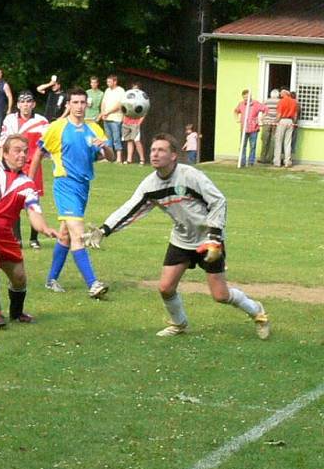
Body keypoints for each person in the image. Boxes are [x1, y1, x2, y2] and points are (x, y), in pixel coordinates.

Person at [83, 133, 270, 339]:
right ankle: (179, 324)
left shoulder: (190, 176)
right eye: (153, 150)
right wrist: (104, 230)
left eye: (161, 150)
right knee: (165, 288)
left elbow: (218, 201)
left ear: (173, 155)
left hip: (208, 240)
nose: (155, 154)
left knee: (220, 295)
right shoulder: (150, 185)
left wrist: (215, 236)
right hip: (181, 239)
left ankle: (258, 312)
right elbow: (130, 209)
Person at [0, 134, 59, 327]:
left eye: (25, 151)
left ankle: (17, 313)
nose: (22, 155)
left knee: (20, 279)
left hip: (5, 236)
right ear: (5, 153)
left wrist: (45, 228)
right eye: (17, 150)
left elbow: (34, 212)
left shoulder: (27, 185)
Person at [28, 87, 113, 298]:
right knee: (78, 234)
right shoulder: (57, 127)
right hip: (65, 184)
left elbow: (109, 157)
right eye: (74, 102)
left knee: (65, 235)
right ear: (68, 105)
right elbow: (39, 152)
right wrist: (29, 183)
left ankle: (51, 279)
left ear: (88, 105)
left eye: (82, 102)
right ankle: (93, 284)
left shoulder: (94, 129)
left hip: (83, 187)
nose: (79, 107)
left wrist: (105, 147)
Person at [0, 91, 49, 249]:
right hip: (13, 165)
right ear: (18, 104)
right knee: (14, 201)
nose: (25, 105)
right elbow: (2, 142)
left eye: (29, 102)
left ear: (33, 104)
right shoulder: (10, 119)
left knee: (33, 201)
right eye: (22, 102)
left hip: (33, 165)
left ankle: (34, 239)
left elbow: (46, 147)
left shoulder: (41, 121)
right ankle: (17, 239)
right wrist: (2, 164)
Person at [233, 89, 266, 167]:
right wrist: (237, 119)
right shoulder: (241, 104)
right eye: (244, 97)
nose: (246, 99)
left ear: (250, 96)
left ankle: (251, 162)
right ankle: (242, 161)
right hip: (244, 129)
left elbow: (266, 110)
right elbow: (235, 111)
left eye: (247, 97)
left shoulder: (256, 104)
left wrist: (260, 118)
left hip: (253, 129)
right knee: (242, 146)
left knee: (252, 146)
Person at [99, 74, 124, 163]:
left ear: (115, 82)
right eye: (107, 81)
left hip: (116, 118)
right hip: (106, 118)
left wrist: (107, 112)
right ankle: (108, 158)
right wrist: (102, 113)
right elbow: (103, 102)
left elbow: (119, 105)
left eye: (109, 81)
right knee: (108, 139)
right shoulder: (107, 90)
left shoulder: (120, 91)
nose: (108, 83)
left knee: (116, 138)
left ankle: (119, 158)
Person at [273, 88, 298, 168]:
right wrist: (293, 123)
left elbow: (279, 114)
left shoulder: (281, 101)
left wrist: (275, 122)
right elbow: (295, 115)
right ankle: (287, 162)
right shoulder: (294, 102)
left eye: (281, 93)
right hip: (290, 121)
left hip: (282, 121)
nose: (280, 94)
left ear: (284, 94)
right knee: (288, 143)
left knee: (278, 142)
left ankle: (277, 162)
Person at [122, 82, 146, 164]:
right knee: (129, 140)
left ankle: (142, 159)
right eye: (133, 89)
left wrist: (139, 122)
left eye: (136, 89)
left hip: (135, 123)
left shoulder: (142, 101)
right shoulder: (128, 99)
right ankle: (129, 159)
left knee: (136, 140)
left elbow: (144, 112)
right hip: (127, 122)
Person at [258, 89, 280, 164]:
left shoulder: (266, 101)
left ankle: (262, 158)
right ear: (277, 95)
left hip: (266, 122)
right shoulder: (279, 102)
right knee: (273, 141)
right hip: (275, 123)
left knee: (265, 140)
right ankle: (270, 158)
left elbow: (262, 110)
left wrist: (261, 119)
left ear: (271, 95)